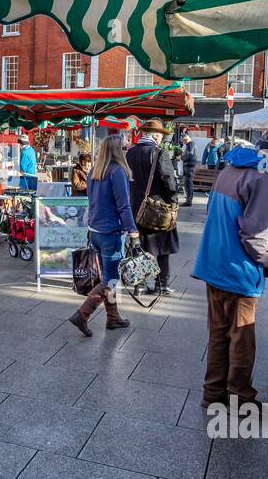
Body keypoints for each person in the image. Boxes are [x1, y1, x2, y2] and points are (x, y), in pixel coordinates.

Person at [191, 124, 268, 408]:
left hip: (214, 265)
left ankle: (212, 394)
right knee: (242, 339)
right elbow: (254, 234)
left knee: (218, 334)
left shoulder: (228, 170)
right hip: (240, 271)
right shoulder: (261, 180)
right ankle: (240, 397)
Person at [69, 133, 140, 336]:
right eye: (125, 148)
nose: (127, 150)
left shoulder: (93, 171)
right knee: (110, 279)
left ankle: (113, 316)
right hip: (111, 233)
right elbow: (124, 206)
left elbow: (92, 203)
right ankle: (83, 314)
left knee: (108, 276)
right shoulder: (117, 172)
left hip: (96, 232)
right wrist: (132, 230)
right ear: (118, 151)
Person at [126, 119, 180, 295]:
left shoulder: (130, 153)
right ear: (156, 135)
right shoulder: (159, 153)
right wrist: (174, 200)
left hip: (136, 207)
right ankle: (161, 284)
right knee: (163, 247)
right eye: (161, 136)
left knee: (139, 247)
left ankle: (139, 286)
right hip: (158, 209)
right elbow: (169, 181)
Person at [178, 132, 197, 207]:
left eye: (184, 141)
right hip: (190, 166)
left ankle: (189, 201)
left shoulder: (190, 145)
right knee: (188, 184)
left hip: (189, 167)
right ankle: (189, 200)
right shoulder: (191, 144)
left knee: (188, 184)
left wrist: (181, 158)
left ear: (186, 140)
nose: (183, 143)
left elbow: (189, 156)